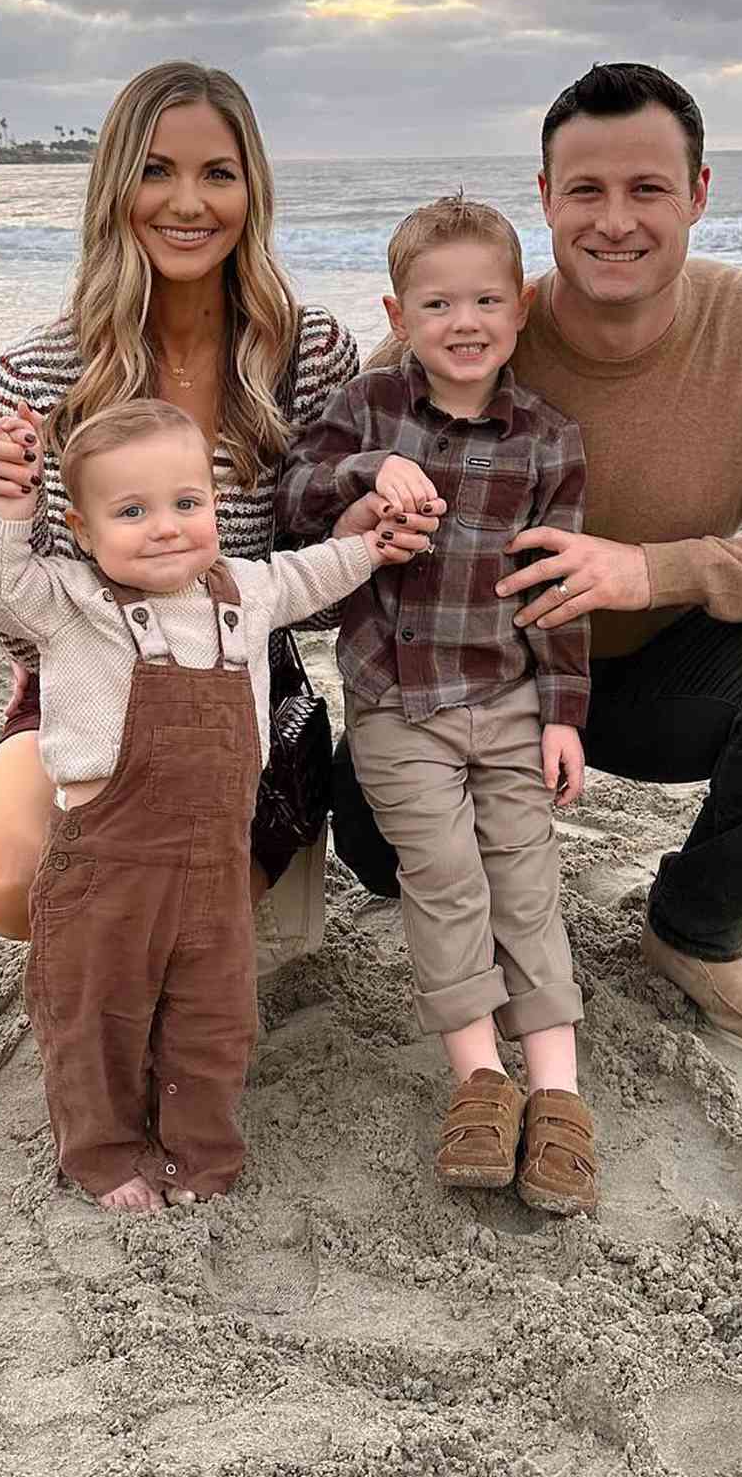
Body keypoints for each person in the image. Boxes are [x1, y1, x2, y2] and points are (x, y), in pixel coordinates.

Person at [332, 64, 742, 1067]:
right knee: (377, 851)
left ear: (697, 194)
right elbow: (312, 514)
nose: (615, 221)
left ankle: (693, 930)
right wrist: (362, 521)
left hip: (658, 679)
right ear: (544, 199)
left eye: (647, 189)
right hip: (472, 689)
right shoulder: (466, 327)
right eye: (586, 191)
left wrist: (651, 570)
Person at [0, 60, 420, 970]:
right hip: (82, 683)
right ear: (116, 184)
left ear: (253, 189)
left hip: (238, 689)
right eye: (156, 170)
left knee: (181, 928)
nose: (187, 202)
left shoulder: (312, 353)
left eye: (217, 173)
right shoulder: (41, 371)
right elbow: (21, 617)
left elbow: (314, 598)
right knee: (11, 875)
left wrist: (362, 529)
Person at [0, 398, 409, 1210]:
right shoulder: (70, 601)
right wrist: (9, 506)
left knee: (212, 1023)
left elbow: (317, 572)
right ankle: (103, 1155)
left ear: (213, 507)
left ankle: (196, 1152)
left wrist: (371, 543)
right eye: (131, 512)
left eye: (186, 504)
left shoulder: (246, 591)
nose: (165, 527)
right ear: (83, 533)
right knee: (97, 1018)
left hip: (214, 862)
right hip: (105, 864)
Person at [278, 197, 600, 1215]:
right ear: (398, 310)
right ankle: (478, 1075)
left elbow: (554, 587)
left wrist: (562, 711)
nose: (464, 320)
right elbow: (292, 493)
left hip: (507, 699)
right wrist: (371, 473)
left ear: (521, 307)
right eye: (438, 301)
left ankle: (556, 1091)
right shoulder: (370, 405)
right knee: (445, 874)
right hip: (396, 703)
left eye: (487, 299)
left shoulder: (549, 441)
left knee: (525, 875)